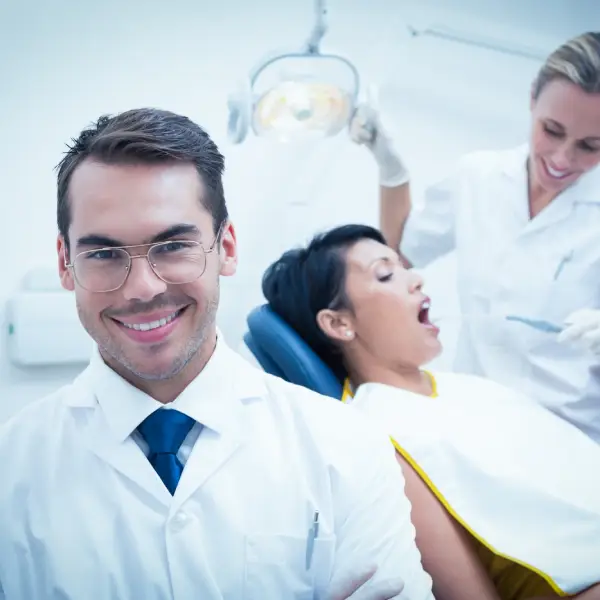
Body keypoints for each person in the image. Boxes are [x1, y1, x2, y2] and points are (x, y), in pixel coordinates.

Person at [0, 110, 434, 600]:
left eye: (173, 246)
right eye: (103, 254)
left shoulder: (345, 446)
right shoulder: (10, 468)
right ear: (65, 263)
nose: (143, 289)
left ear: (225, 247)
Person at [262, 224, 600, 600]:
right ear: (339, 323)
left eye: (403, 266)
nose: (416, 278)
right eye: (385, 274)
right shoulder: (377, 439)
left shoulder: (466, 389)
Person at [350, 32, 600, 441]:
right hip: (474, 422)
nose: (562, 158)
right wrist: (392, 170)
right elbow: (400, 254)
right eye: (552, 130)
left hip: (572, 440)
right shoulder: (479, 177)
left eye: (591, 146)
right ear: (533, 98)